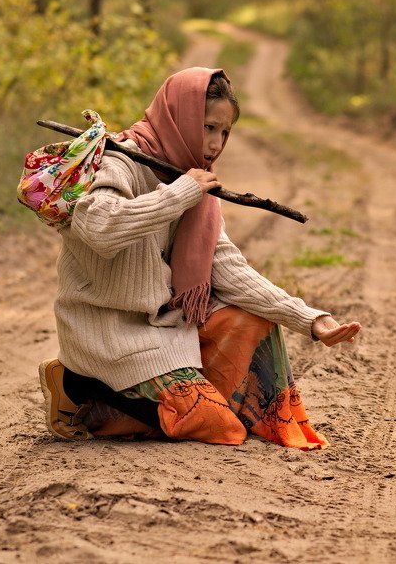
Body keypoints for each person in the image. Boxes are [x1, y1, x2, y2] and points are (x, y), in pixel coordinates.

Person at [38, 66, 360, 449]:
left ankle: (164, 393)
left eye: (225, 132)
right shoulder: (121, 162)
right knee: (219, 426)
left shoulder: (193, 178)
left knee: (252, 324)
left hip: (166, 327)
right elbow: (99, 228)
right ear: (180, 118)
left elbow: (229, 270)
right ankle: (77, 385)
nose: (216, 144)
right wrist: (179, 194)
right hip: (109, 330)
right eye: (208, 127)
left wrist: (311, 319)